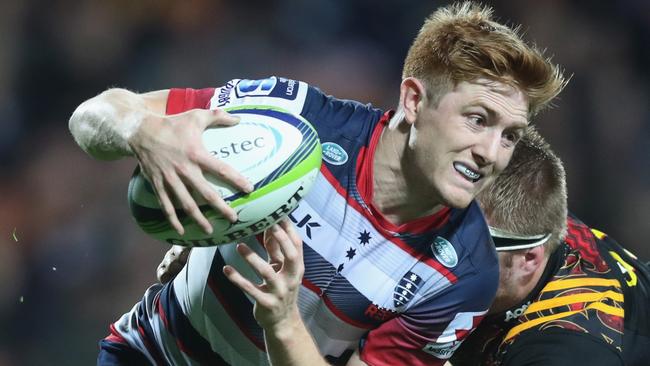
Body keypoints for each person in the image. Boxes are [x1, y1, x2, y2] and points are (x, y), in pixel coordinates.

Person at [68, 2, 566, 365]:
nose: (491, 153)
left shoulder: (465, 275)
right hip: (151, 354)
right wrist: (145, 132)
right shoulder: (293, 116)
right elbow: (92, 117)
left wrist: (282, 320)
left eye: (510, 136)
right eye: (477, 120)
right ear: (414, 101)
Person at [447, 129, 650, 366]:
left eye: (469, 244)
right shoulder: (530, 216)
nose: (442, 252)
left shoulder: (564, 348)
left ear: (529, 259)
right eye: (442, 221)